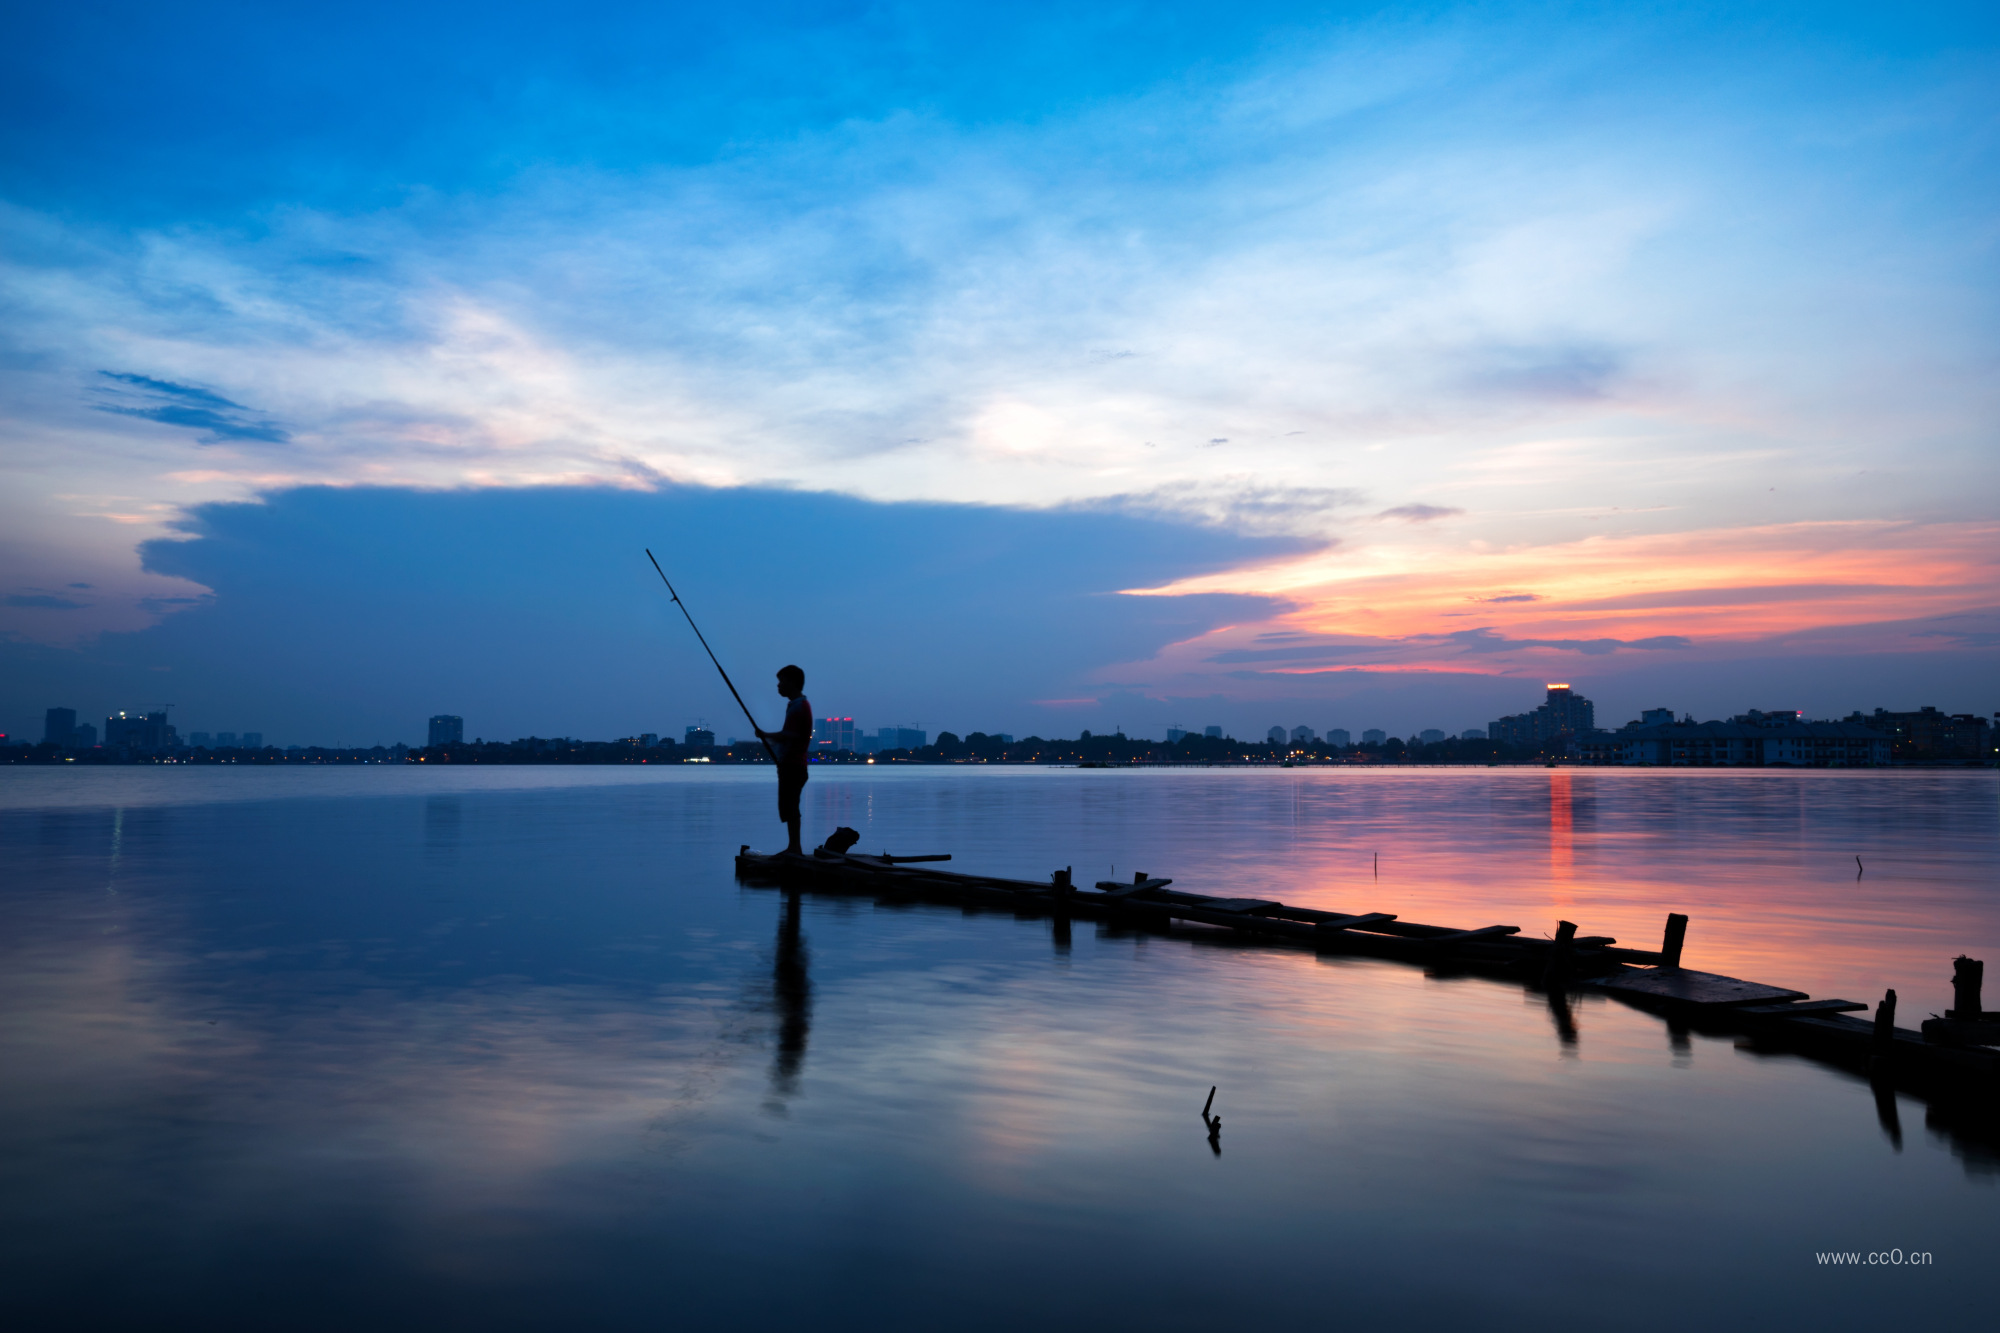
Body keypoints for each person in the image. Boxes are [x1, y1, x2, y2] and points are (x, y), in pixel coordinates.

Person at [756, 664, 813, 854]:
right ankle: (793, 846)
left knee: (791, 806)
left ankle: (794, 847)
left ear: (792, 682)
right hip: (791, 765)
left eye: (781, 681)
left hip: (794, 766)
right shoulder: (795, 705)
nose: (778, 686)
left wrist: (766, 735)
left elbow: (790, 735)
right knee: (789, 806)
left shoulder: (799, 707)